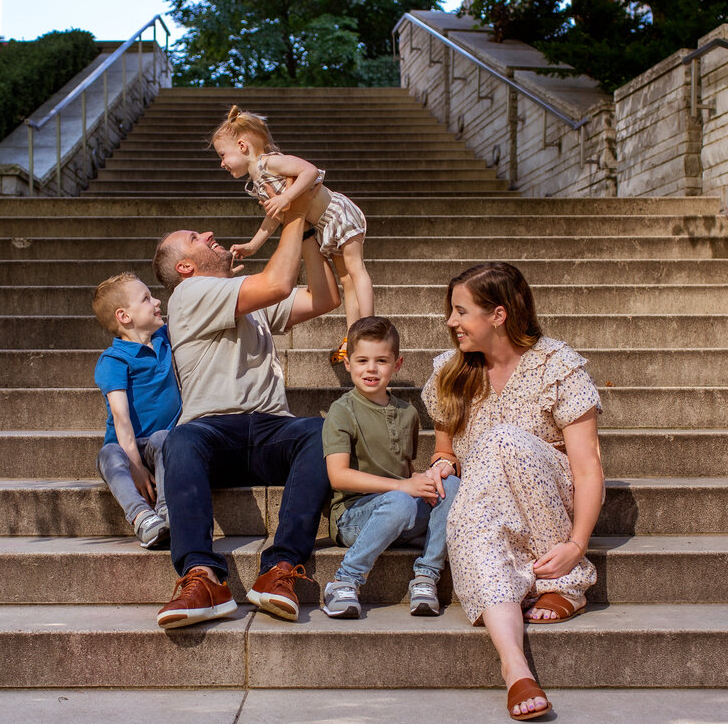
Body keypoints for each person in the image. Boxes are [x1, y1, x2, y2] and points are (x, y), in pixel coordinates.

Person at [420, 263, 604, 721]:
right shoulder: (450, 370)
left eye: (461, 311)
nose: (451, 321)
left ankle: (563, 580)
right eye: (451, 310)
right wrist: (442, 462)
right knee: (470, 513)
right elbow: (444, 445)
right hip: (488, 507)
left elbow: (587, 468)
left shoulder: (556, 364)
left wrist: (576, 544)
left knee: (502, 440)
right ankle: (515, 667)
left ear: (498, 315)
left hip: (548, 501)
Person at [150, 196, 340, 629]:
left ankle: (280, 570)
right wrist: (293, 211)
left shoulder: (241, 302)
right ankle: (201, 575)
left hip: (271, 429)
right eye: (196, 238)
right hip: (212, 433)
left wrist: (307, 231)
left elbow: (325, 297)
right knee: (179, 439)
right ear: (184, 268)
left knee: (319, 432)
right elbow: (275, 283)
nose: (210, 235)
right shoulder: (188, 294)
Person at [321, 315, 460, 619]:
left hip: (402, 510)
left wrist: (426, 478)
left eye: (382, 360)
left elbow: (404, 470)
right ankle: (345, 580)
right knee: (400, 502)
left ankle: (426, 576)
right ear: (348, 363)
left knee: (451, 486)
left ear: (397, 364)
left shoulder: (408, 412)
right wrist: (403, 487)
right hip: (354, 517)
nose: (371, 369)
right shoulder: (342, 411)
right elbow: (338, 475)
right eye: (362, 360)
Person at [213, 105, 371, 363]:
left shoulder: (270, 162)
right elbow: (274, 216)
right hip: (322, 225)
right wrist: (254, 244)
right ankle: (354, 337)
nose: (222, 163)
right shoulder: (258, 182)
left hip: (337, 214)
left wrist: (287, 195)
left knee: (355, 270)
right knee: (346, 280)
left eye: (223, 155)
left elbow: (309, 171)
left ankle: (370, 328)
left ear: (242, 147)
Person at [91, 272, 180, 549]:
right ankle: (142, 517)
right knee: (108, 454)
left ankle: (166, 512)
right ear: (124, 316)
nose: (157, 301)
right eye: (146, 298)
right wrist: (136, 467)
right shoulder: (114, 359)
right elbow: (120, 416)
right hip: (127, 448)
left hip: (162, 444)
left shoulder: (163, 338)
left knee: (165, 438)